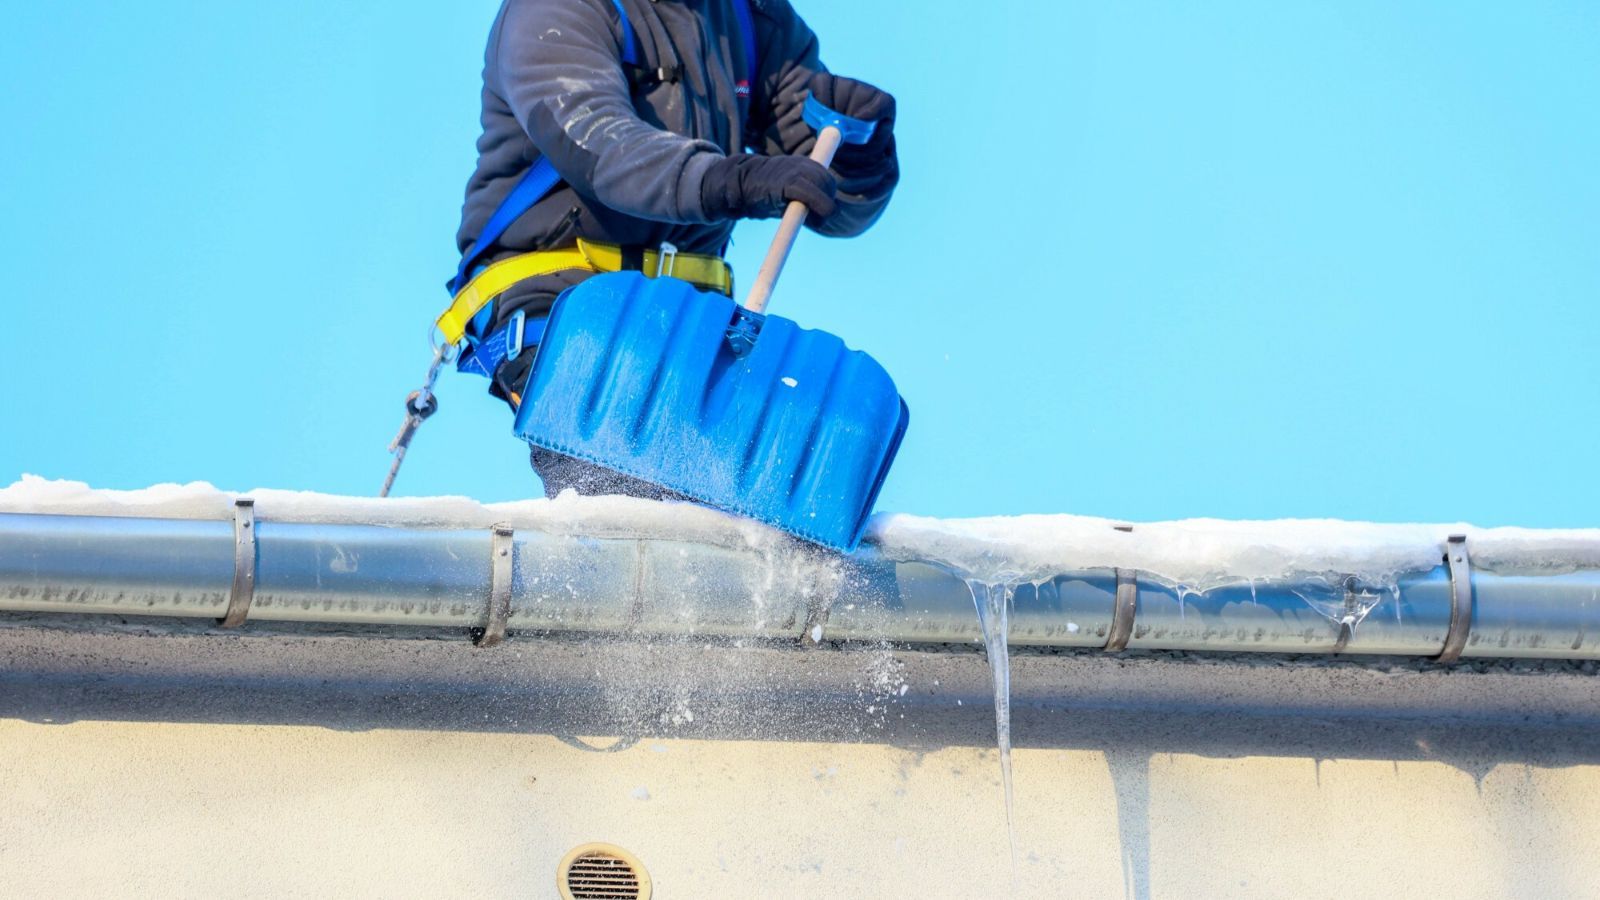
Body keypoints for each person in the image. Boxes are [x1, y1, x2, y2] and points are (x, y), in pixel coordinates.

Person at [449, 0, 899, 498]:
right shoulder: (554, 10)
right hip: (569, 308)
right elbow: (602, 146)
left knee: (773, 509)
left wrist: (860, 159)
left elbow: (824, 192)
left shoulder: (750, 19)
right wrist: (733, 181)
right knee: (629, 509)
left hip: (697, 327)